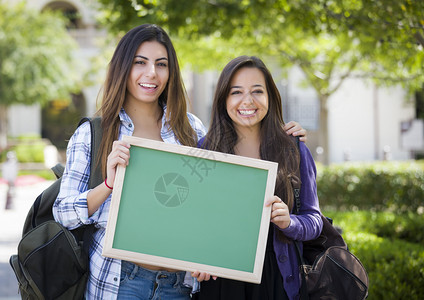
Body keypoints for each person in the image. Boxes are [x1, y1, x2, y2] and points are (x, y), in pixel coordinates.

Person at [53, 24, 307, 300]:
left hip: (179, 287)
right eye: (140, 62)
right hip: (119, 280)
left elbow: (219, 202)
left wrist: (279, 133)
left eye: (161, 64)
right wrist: (108, 185)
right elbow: (63, 213)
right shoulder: (95, 133)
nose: (151, 73)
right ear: (123, 67)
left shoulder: (191, 130)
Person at [192, 56, 323, 300]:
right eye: (236, 92)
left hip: (278, 280)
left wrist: (289, 223)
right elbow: (193, 220)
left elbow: (315, 221)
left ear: (270, 97)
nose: (247, 101)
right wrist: (195, 259)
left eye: (257, 91)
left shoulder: (293, 149)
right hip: (221, 281)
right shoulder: (205, 149)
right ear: (223, 99)